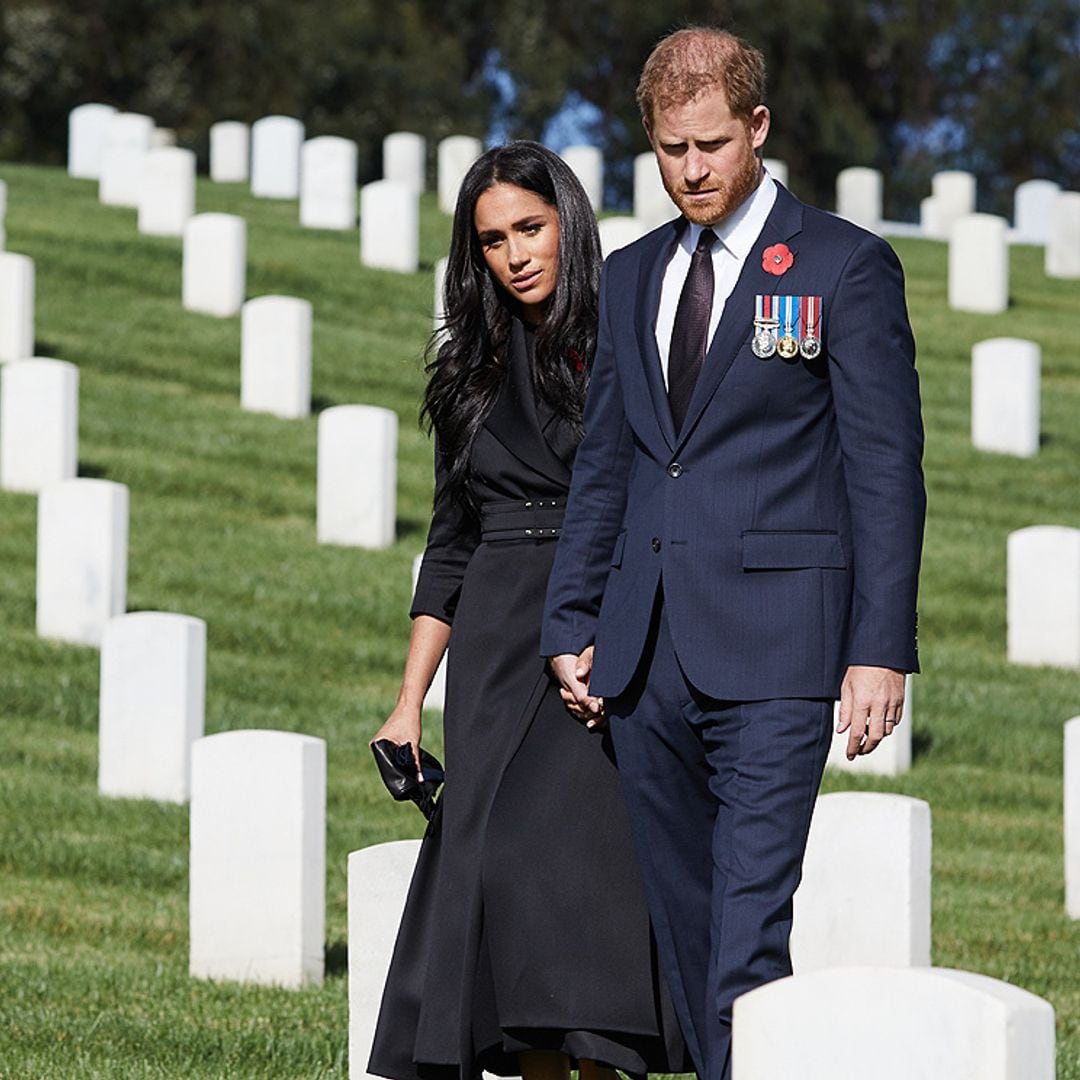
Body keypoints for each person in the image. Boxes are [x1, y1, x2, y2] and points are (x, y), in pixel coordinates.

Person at [542, 28, 926, 1080]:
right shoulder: (629, 277)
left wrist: (879, 649)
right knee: (689, 928)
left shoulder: (844, 266)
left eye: (712, 144)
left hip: (780, 655)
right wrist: (571, 622)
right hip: (644, 656)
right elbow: (609, 465)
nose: (693, 170)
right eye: (671, 150)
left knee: (748, 934)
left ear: (757, 127)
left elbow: (885, 469)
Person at [367, 141, 685, 1080]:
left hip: (595, 623)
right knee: (500, 887)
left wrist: (604, 631)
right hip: (497, 641)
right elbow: (450, 542)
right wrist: (408, 699)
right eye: (493, 239)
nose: (515, 253)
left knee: (575, 890)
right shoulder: (464, 368)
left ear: (568, 223)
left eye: (531, 228)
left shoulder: (626, 336)